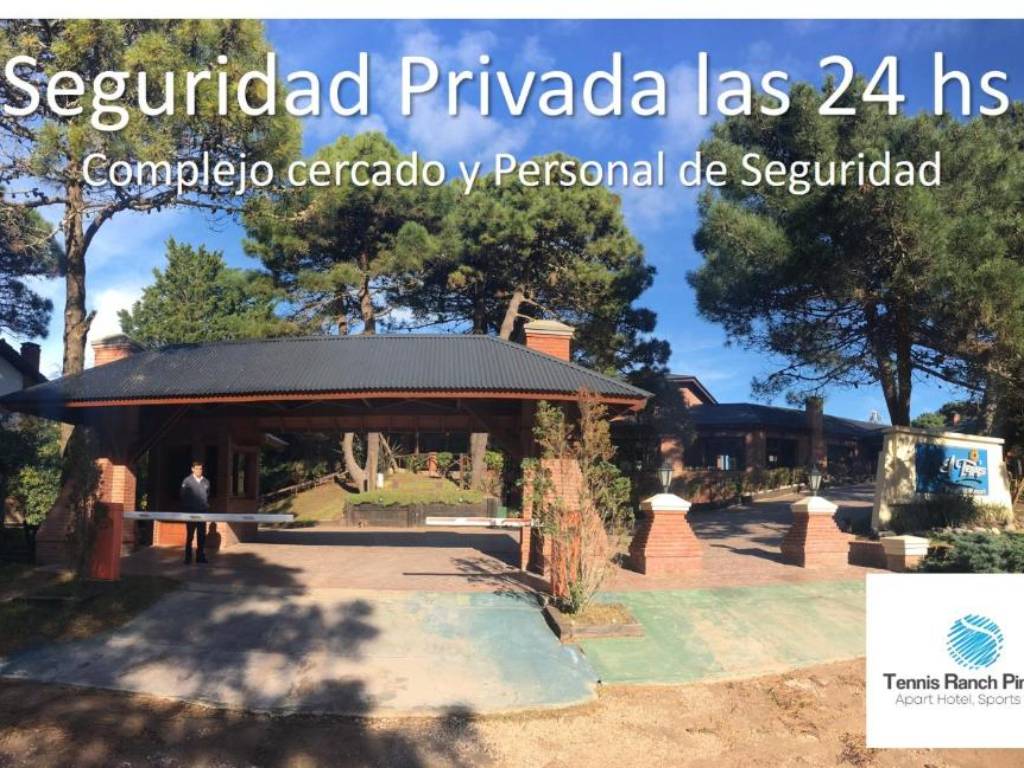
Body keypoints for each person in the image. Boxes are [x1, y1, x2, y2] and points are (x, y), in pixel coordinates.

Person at [180, 460, 210, 564]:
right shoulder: (187, 481)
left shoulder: (206, 481)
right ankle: (188, 557)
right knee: (190, 536)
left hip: (202, 514)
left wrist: (205, 507)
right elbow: (182, 495)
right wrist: (188, 508)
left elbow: (207, 495)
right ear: (192, 469)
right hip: (191, 514)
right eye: (197, 469)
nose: (199, 471)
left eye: (200, 469)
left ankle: (200, 557)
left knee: (201, 536)